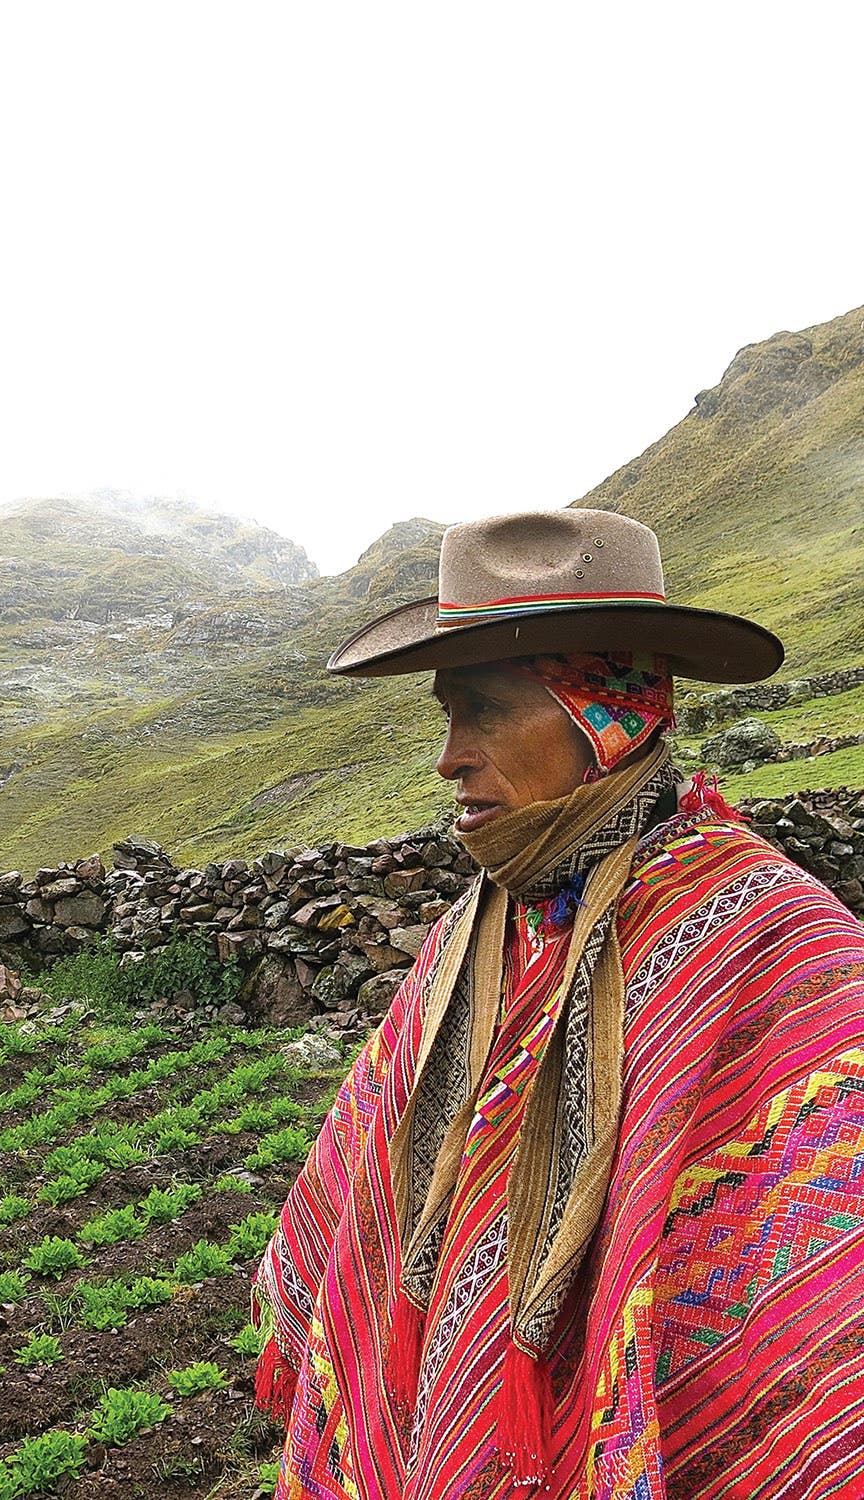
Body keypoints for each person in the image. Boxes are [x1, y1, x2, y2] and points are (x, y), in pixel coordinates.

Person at [250, 509, 864, 1500]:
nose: (450, 757)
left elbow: (812, 1323)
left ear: (605, 714)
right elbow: (371, 1200)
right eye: (446, 715)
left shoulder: (779, 945)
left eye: (484, 710)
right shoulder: (475, 934)